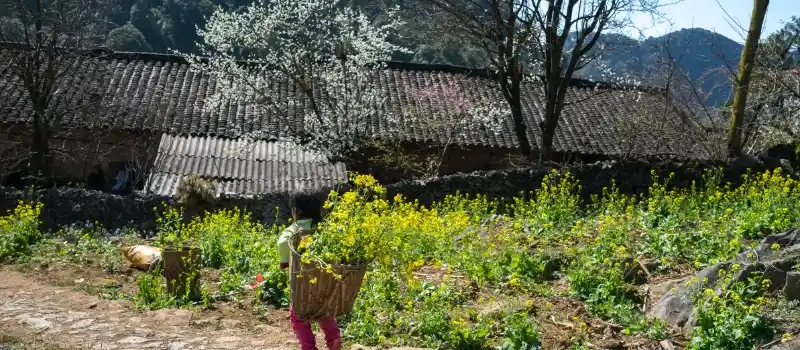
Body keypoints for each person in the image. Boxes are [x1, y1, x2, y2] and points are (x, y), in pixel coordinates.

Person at [277, 191, 341, 350]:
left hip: (301, 292)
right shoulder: (325, 230)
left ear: (295, 210)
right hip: (325, 289)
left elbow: (284, 256)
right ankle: (333, 338)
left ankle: (308, 346)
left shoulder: (290, 234)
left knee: (298, 319)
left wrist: (285, 262)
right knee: (326, 315)